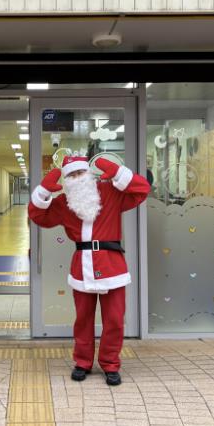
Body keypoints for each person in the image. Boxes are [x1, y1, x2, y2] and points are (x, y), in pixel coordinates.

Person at [28, 155, 150, 386]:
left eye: (80, 173)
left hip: (112, 266)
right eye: (71, 175)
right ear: (66, 180)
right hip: (81, 267)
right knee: (83, 320)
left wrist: (117, 171)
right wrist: (43, 191)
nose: (77, 178)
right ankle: (82, 362)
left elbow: (142, 190)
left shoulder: (111, 192)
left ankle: (110, 363)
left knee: (114, 320)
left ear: (88, 173)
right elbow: (38, 216)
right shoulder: (64, 202)